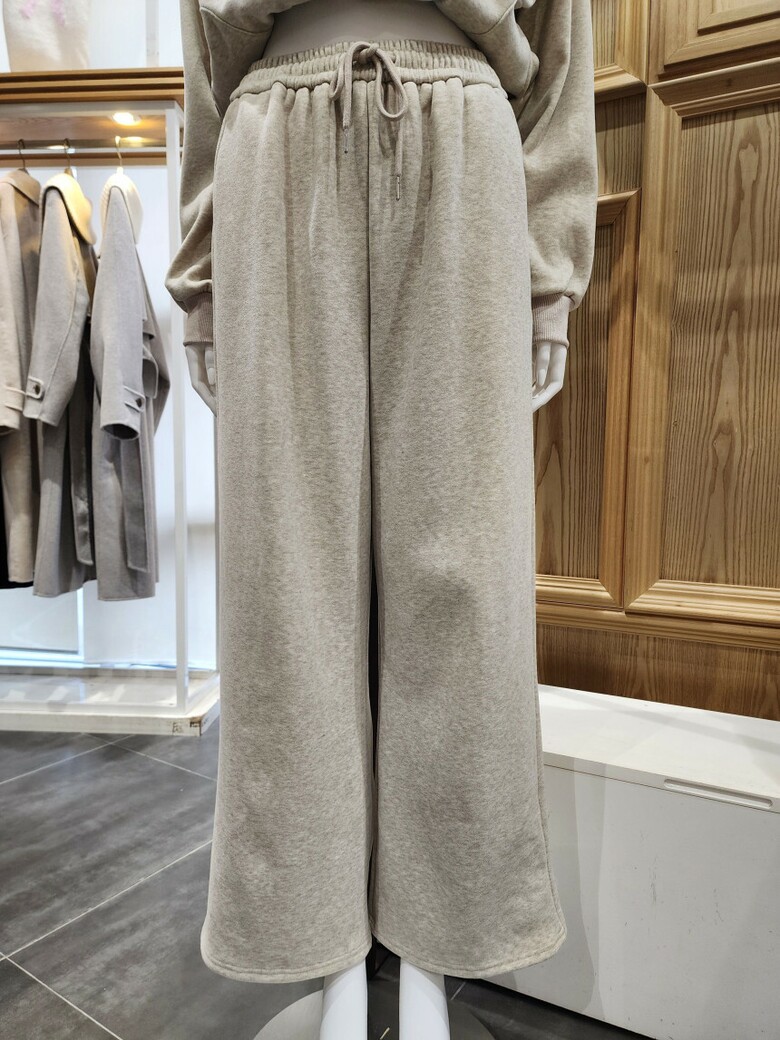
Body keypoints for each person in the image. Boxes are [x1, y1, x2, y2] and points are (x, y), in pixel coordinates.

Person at [165, 2, 598, 1037]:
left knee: (465, 588)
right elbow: (205, 60)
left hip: (464, 135)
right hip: (273, 139)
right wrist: (202, 268)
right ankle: (330, 965)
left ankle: (437, 958)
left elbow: (561, 49)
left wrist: (549, 275)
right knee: (286, 593)